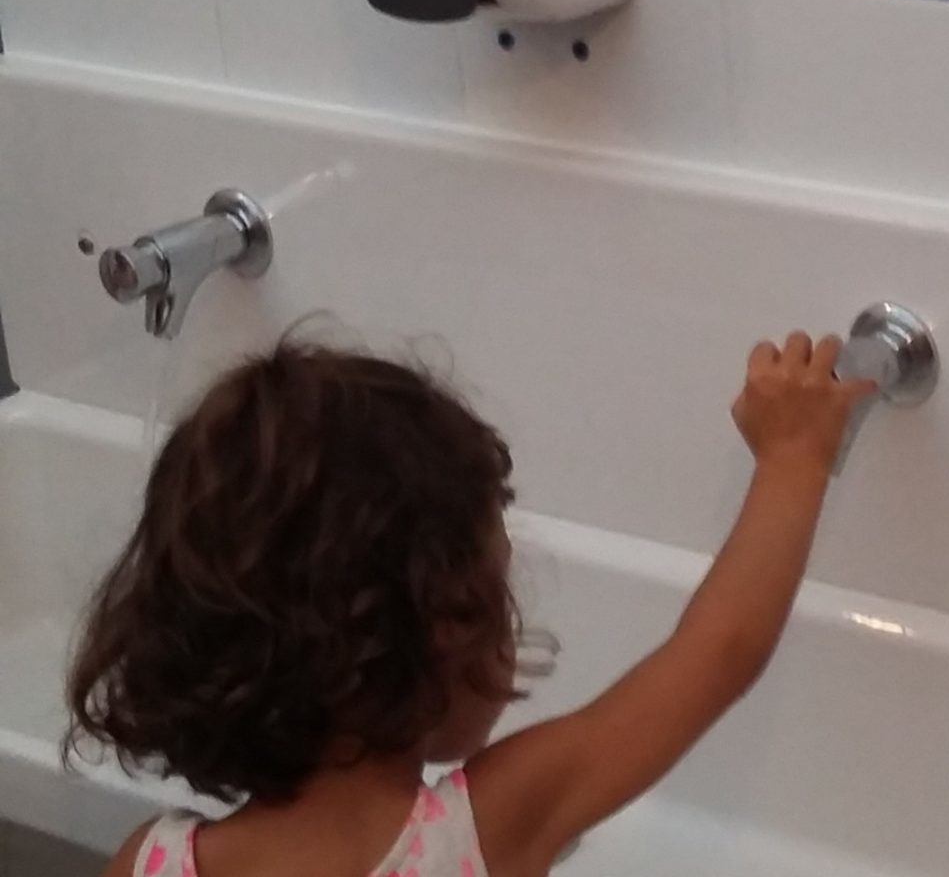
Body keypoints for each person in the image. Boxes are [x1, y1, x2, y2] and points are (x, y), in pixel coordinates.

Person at [66, 331, 873, 876]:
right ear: (447, 628)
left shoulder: (150, 863)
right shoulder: (479, 832)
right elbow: (719, 652)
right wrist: (793, 457)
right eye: (498, 591)